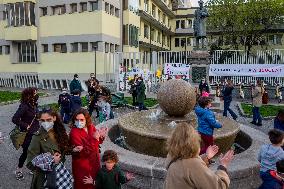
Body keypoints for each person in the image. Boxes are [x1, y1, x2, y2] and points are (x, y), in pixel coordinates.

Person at [164, 122, 234, 189]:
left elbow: (186, 168)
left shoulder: (172, 157)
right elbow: (219, 186)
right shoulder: (192, 165)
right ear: (193, 142)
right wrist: (223, 166)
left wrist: (206, 156)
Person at [26, 108, 71, 189]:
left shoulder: (59, 131)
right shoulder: (37, 137)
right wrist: (50, 159)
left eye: (48, 119)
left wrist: (73, 150)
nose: (46, 123)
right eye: (42, 120)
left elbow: (64, 150)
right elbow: (30, 163)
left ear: (54, 118)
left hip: (60, 173)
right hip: (45, 178)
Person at [69, 109, 108, 189]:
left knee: (95, 183)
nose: (79, 122)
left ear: (86, 119)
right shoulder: (74, 133)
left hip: (94, 162)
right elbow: (83, 152)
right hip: (83, 165)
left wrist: (101, 136)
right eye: (77, 120)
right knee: (84, 184)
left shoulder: (91, 127)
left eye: (81, 119)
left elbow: (97, 141)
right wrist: (95, 139)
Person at [12, 87, 40, 180]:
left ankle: (33, 168)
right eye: (35, 93)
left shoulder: (34, 104)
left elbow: (36, 116)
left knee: (36, 151)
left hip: (36, 132)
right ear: (29, 95)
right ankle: (19, 170)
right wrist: (25, 125)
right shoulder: (24, 106)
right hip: (27, 134)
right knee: (26, 153)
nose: (36, 95)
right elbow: (15, 119)